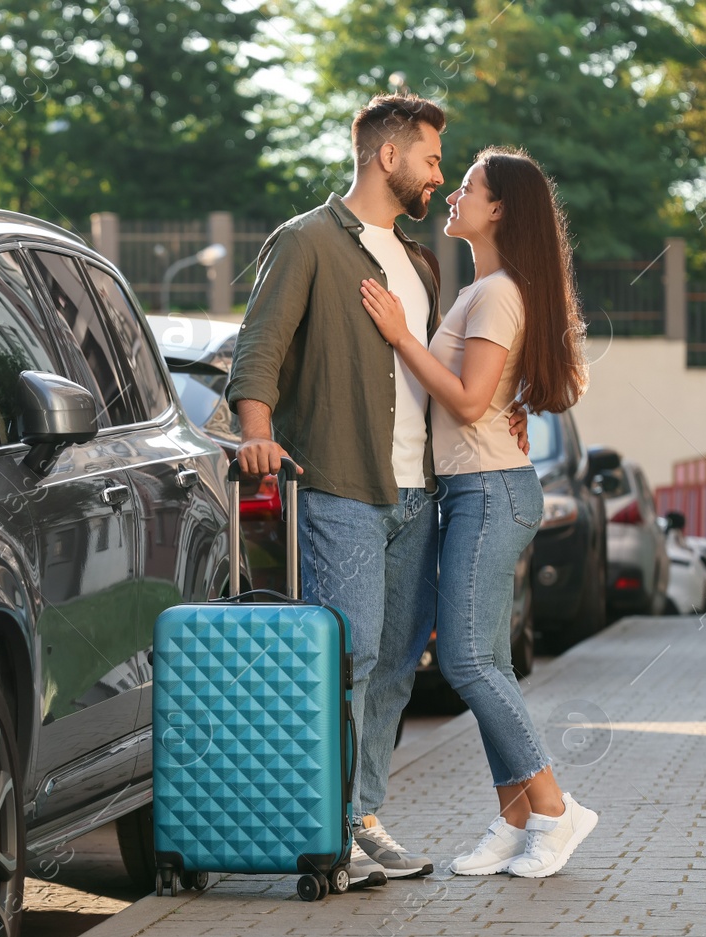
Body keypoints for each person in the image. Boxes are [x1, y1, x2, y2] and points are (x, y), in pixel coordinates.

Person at [229, 94, 474, 886]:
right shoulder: (306, 241)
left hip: (418, 493)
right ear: (388, 156)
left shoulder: (422, 260)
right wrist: (256, 431)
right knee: (352, 651)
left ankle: (363, 816)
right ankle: (328, 829)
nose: (439, 175)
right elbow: (258, 351)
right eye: (433, 159)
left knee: (399, 661)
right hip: (340, 482)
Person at [358, 147, 598, 877]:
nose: (451, 194)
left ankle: (555, 806)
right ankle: (515, 814)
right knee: (488, 659)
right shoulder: (488, 287)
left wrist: (400, 333)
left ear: (499, 210)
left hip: (490, 491)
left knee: (464, 658)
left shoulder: (497, 292)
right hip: (477, 487)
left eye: (467, 187)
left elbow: (465, 399)